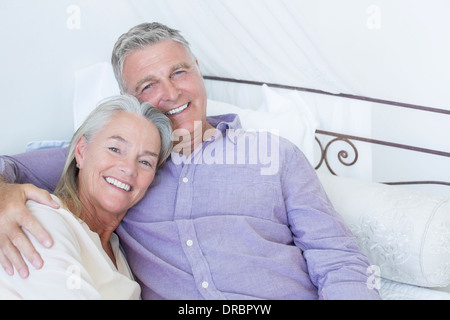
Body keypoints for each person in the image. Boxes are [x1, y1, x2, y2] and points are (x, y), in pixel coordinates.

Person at [0, 22, 381, 299]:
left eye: (178, 72)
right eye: (147, 85)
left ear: (198, 69)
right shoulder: (121, 164)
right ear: (130, 99)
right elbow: (12, 167)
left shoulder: (275, 156)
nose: (169, 93)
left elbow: (338, 260)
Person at [0, 94, 173, 299]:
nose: (128, 169)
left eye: (145, 162)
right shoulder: (43, 220)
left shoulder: (118, 252)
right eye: (115, 149)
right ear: (81, 152)